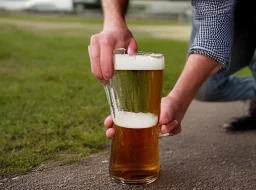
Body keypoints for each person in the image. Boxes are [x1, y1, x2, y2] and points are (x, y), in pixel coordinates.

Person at [88, 0, 256, 138]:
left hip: (222, 9)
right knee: (207, 89)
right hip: (224, 10)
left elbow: (211, 41)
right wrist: (114, 22)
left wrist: (176, 100)